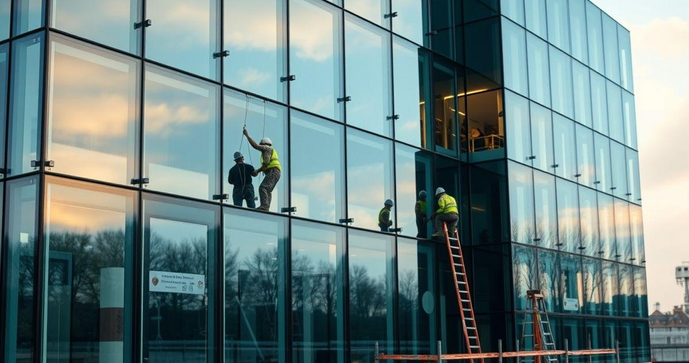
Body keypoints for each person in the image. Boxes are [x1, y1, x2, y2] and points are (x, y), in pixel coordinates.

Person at [243, 128, 281, 211]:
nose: (260, 147)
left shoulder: (266, 149)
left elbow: (266, 162)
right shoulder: (271, 150)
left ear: (264, 144)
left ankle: (264, 206)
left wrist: (247, 135)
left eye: (261, 145)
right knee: (268, 190)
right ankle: (266, 207)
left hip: (273, 171)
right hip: (276, 172)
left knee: (263, 187)